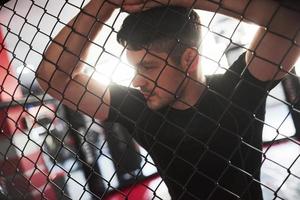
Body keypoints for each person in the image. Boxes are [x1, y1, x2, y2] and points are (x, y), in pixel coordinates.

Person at [36, 0, 300, 199]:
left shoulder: (238, 88)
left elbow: (289, 16)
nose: (137, 81)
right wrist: (106, 4)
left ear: (189, 59)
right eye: (135, 68)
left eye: (148, 67)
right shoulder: (137, 107)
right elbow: (53, 77)